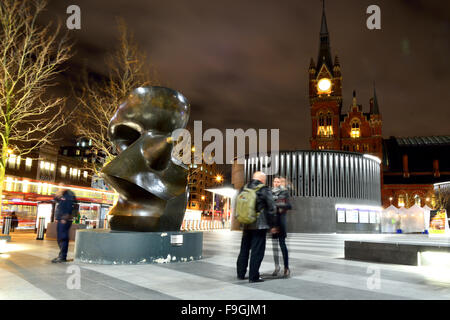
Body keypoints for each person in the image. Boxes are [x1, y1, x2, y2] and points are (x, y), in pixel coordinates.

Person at [236, 171, 277, 283]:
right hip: (260, 225)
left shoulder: (244, 188)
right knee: (257, 251)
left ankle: (240, 273)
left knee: (244, 250)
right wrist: (273, 225)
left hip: (246, 223)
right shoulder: (264, 189)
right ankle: (253, 276)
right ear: (262, 179)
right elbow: (272, 208)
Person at [271, 177, 292, 278]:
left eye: (278, 182)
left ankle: (286, 267)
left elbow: (289, 205)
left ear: (280, 183)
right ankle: (276, 267)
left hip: (281, 222)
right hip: (273, 223)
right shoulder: (270, 192)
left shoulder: (284, 192)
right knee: (274, 247)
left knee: (282, 245)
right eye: (274, 181)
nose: (276, 183)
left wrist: (277, 205)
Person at [52, 185, 76, 263]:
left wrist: (65, 217)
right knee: (60, 238)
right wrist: (57, 195)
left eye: (61, 185)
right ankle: (61, 255)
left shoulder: (69, 194)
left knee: (63, 238)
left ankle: (62, 256)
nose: (60, 187)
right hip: (61, 219)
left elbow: (69, 206)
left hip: (64, 220)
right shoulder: (63, 194)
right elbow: (56, 202)